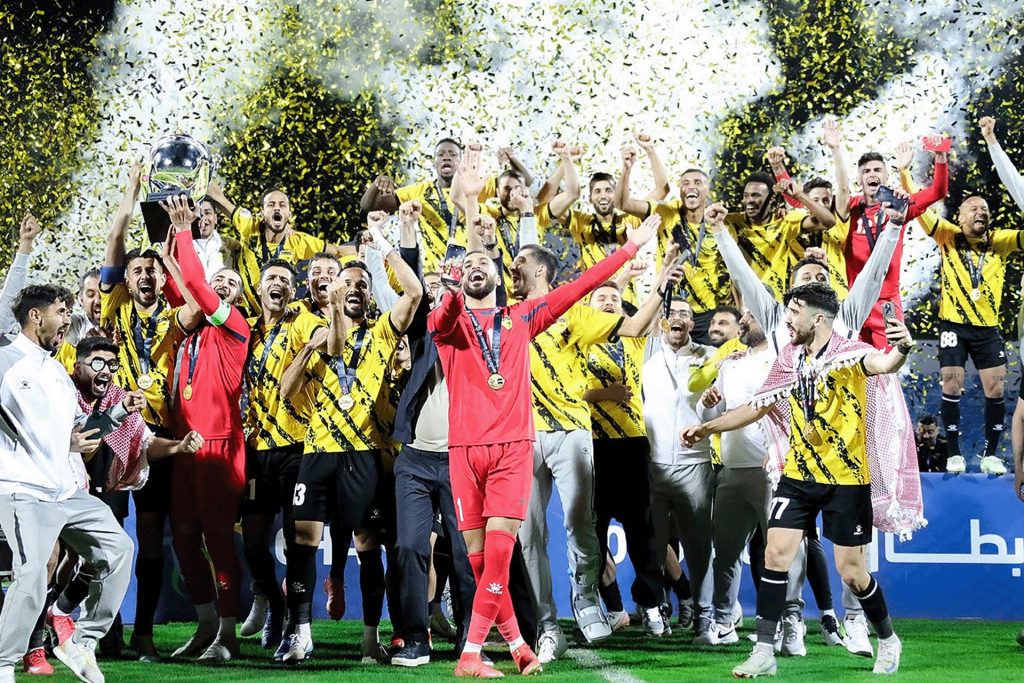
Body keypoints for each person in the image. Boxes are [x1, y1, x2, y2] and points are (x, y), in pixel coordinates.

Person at [429, 213, 659, 677]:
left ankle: (471, 655)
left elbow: (578, 287)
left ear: (499, 278)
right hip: (463, 452)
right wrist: (452, 290)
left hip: (514, 450)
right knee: (482, 565)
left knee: (500, 556)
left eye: (484, 262)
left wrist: (629, 248)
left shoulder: (522, 318)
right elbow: (444, 315)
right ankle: (518, 646)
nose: (476, 266)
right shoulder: (449, 325)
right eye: (467, 263)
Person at [681, 282, 919, 677]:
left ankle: (889, 639)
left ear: (818, 318)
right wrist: (708, 428)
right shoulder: (789, 358)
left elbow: (884, 364)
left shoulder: (849, 354)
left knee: (852, 573)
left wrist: (904, 348)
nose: (787, 320)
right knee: (775, 556)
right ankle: (764, 652)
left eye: (794, 312)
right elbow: (758, 406)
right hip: (797, 476)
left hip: (846, 479)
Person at [513, 218, 680, 658]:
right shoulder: (507, 316)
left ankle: (585, 595)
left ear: (541, 271)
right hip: (522, 435)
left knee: (581, 524)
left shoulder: (573, 312)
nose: (512, 267)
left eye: (520, 261)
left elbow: (635, 327)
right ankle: (547, 625)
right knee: (529, 534)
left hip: (571, 429)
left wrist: (659, 286)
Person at [279, 221, 422, 664]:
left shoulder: (383, 332)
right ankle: (301, 634)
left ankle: (369, 637)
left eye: (362, 284)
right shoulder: (314, 335)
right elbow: (285, 391)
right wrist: (309, 348)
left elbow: (414, 292)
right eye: (347, 283)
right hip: (318, 451)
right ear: (330, 292)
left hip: (365, 452)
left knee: (368, 546)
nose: (355, 289)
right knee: (302, 541)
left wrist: (384, 246)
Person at [0, 284, 143, 683]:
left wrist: (118, 412)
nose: (68, 319)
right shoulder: (5, 360)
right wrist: (23, 253)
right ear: (36, 316)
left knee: (119, 550)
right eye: (61, 312)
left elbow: (80, 431)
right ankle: (4, 662)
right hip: (23, 490)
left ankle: (80, 640)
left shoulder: (57, 373)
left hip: (66, 491)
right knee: (32, 573)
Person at [49, 336, 203, 661]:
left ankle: (70, 623)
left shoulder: (118, 397)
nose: (106, 370)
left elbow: (145, 441)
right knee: (53, 559)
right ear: (77, 366)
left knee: (107, 553)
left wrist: (177, 446)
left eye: (112, 365)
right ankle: (39, 631)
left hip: (102, 480)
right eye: (98, 363)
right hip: (50, 484)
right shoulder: (61, 391)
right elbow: (77, 430)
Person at [99, 162, 187, 661]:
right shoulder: (115, 308)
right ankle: (106, 628)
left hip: (160, 436)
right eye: (138, 271)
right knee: (107, 537)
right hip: (117, 435)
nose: (145, 275)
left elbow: (195, 297)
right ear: (126, 280)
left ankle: (145, 633)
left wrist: (175, 244)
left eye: (153, 270)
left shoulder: (174, 317)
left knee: (151, 540)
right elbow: (116, 241)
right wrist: (131, 193)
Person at [159, 195, 251, 661]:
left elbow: (195, 283)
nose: (222, 285)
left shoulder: (235, 325)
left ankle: (229, 636)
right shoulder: (192, 332)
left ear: (238, 296)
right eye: (219, 281)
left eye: (230, 282)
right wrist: (169, 259)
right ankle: (207, 625)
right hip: (185, 446)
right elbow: (184, 289)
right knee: (183, 540)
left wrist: (184, 231)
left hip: (219, 444)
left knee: (217, 539)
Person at [390, 201, 478, 667]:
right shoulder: (426, 329)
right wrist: (407, 233)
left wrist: (471, 210)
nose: (443, 293)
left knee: (464, 554)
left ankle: (469, 637)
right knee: (408, 547)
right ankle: (414, 638)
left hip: (463, 459)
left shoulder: (478, 333)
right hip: (416, 459)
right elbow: (419, 288)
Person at [696, 308, 806, 650]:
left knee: (784, 550)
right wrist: (707, 404)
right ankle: (724, 622)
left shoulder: (785, 357)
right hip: (732, 468)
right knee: (725, 553)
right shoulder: (730, 364)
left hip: (773, 471)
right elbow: (713, 413)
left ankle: (791, 621)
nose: (743, 321)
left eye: (750, 316)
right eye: (741, 316)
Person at [238, 258, 328, 651]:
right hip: (257, 448)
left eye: (285, 280)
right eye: (271, 278)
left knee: (297, 543)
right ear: (259, 288)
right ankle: (274, 604)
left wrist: (315, 337)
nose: (278, 284)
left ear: (293, 291)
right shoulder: (247, 330)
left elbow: (323, 333)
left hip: (298, 446)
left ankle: (297, 624)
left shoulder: (300, 320)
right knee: (253, 545)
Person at [583, 274, 666, 638]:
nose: (609, 302)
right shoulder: (578, 341)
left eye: (615, 299)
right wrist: (605, 395)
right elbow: (564, 391)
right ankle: (612, 608)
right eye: (601, 298)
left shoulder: (633, 339)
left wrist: (662, 275)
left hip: (633, 443)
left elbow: (651, 310)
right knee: (594, 535)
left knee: (643, 532)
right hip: (593, 445)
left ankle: (650, 604)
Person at [916, 190, 1019, 475]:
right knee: (951, 385)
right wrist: (904, 175)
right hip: (953, 327)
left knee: (996, 389)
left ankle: (990, 456)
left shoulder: (1000, 240)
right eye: (973, 208)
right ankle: (954, 455)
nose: (980, 212)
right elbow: (919, 210)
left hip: (987, 330)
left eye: (984, 208)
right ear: (960, 218)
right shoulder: (947, 235)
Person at [641, 296, 716, 640]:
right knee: (652, 548)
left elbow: (718, 412)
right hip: (653, 464)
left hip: (694, 465)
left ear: (691, 324)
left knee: (699, 549)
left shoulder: (709, 357)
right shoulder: (646, 355)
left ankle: (704, 616)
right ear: (661, 321)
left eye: (685, 314)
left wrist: (712, 406)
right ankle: (656, 609)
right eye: (672, 313)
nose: (678, 318)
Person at [835, 135, 948, 348]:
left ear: (886, 176)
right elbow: (811, 206)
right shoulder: (848, 208)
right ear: (858, 179)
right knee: (850, 363)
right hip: (853, 302)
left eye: (878, 170)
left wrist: (940, 158)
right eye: (866, 171)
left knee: (888, 363)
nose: (872, 174)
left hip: (887, 303)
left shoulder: (899, 204)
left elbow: (938, 191)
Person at [613, 157, 725, 344]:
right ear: (680, 191)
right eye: (685, 183)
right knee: (663, 360)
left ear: (708, 191)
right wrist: (626, 169)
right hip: (668, 308)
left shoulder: (718, 222)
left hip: (707, 314)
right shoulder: (665, 212)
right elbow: (623, 204)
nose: (691, 186)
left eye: (698, 183)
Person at [204, 180, 353, 313]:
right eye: (271, 205)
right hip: (244, 311)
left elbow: (338, 251)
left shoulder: (297, 241)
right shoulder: (250, 226)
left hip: (276, 313)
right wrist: (204, 171)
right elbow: (219, 198)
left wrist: (365, 248)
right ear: (262, 214)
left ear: (289, 215)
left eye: (282, 205)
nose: (277, 208)